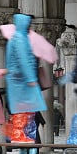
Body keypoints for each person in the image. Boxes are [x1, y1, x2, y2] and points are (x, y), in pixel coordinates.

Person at [4, 14, 46, 144]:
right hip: (22, 81)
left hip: (17, 79)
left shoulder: (15, 38)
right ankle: (18, 135)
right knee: (24, 108)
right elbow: (24, 60)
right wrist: (31, 78)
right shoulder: (20, 39)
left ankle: (20, 134)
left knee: (24, 108)